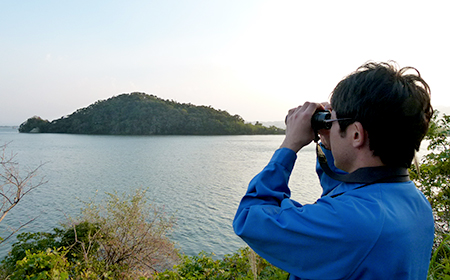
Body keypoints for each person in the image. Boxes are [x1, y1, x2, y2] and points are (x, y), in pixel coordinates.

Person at [233, 61, 434, 279]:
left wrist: (289, 146)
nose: (330, 125)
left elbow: (250, 217)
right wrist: (330, 142)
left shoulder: (353, 223)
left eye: (334, 122)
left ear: (356, 135)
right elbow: (345, 191)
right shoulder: (415, 203)